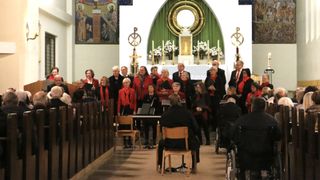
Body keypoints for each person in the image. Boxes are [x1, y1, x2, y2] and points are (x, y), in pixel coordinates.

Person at [231, 97, 281, 179]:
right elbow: (278, 136)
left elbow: (233, 134)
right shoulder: (271, 120)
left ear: (252, 107)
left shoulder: (243, 119)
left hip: (245, 155)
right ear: (264, 107)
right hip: (266, 155)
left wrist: (239, 141)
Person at [157, 94, 200, 169]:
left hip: (169, 144)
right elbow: (196, 128)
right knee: (196, 141)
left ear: (169, 102)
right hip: (185, 143)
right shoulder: (187, 113)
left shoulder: (165, 114)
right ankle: (194, 165)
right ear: (180, 101)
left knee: (161, 143)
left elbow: (161, 129)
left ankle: (161, 165)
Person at [117, 78, 136, 148]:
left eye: (127, 82)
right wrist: (118, 111)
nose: (126, 84)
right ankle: (125, 142)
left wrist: (134, 110)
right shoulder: (120, 91)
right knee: (123, 125)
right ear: (123, 84)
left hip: (130, 108)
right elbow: (119, 101)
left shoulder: (133, 91)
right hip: (123, 108)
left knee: (130, 125)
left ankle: (130, 142)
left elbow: (134, 101)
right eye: (124, 83)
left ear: (129, 83)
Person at [205, 66, 224, 131]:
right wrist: (208, 88)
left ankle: (215, 126)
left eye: (213, 70)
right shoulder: (208, 78)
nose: (211, 72)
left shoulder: (219, 78)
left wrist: (215, 89)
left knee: (215, 112)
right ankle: (209, 125)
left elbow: (222, 89)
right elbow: (205, 87)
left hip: (216, 97)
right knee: (209, 111)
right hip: (209, 97)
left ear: (216, 71)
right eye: (211, 70)